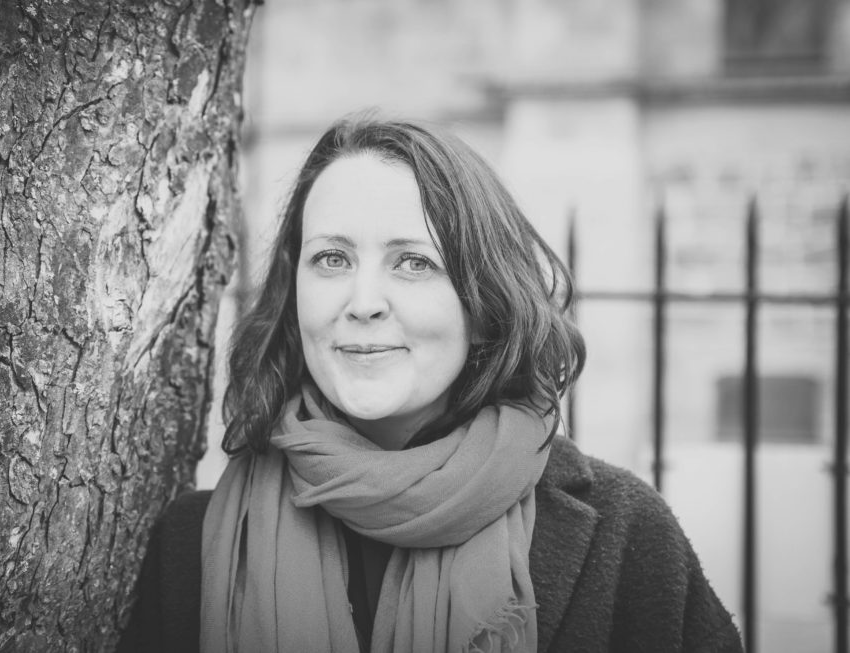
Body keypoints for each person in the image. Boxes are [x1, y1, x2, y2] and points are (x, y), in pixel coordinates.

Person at [118, 117, 744, 653]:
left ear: (484, 301)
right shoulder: (194, 543)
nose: (363, 301)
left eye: (413, 262)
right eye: (332, 258)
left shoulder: (624, 531)